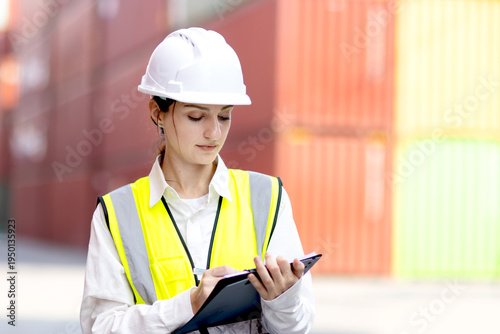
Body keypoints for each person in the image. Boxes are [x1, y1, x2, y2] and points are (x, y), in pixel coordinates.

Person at [80, 27, 315, 334]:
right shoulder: (116, 214)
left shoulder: (268, 198)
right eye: (196, 116)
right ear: (158, 113)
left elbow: (299, 328)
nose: (214, 133)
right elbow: (100, 328)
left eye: (224, 116)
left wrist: (282, 302)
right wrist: (189, 303)